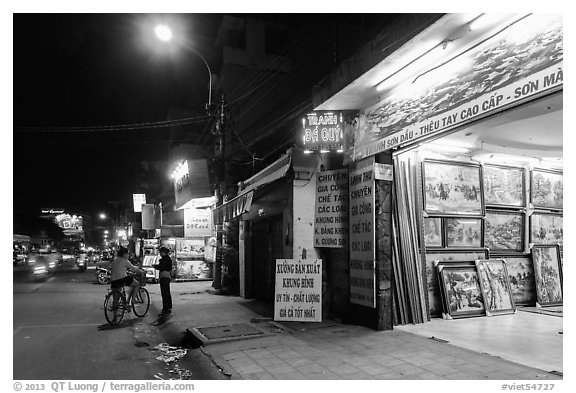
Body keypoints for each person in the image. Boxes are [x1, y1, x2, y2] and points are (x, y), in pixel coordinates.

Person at [153, 247, 173, 315]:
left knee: (164, 293)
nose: (160, 254)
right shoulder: (168, 259)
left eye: (160, 252)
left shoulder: (164, 259)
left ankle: (166, 308)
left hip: (164, 277)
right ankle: (168, 307)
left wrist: (155, 266)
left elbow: (162, 267)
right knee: (167, 292)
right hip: (167, 276)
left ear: (163, 252)